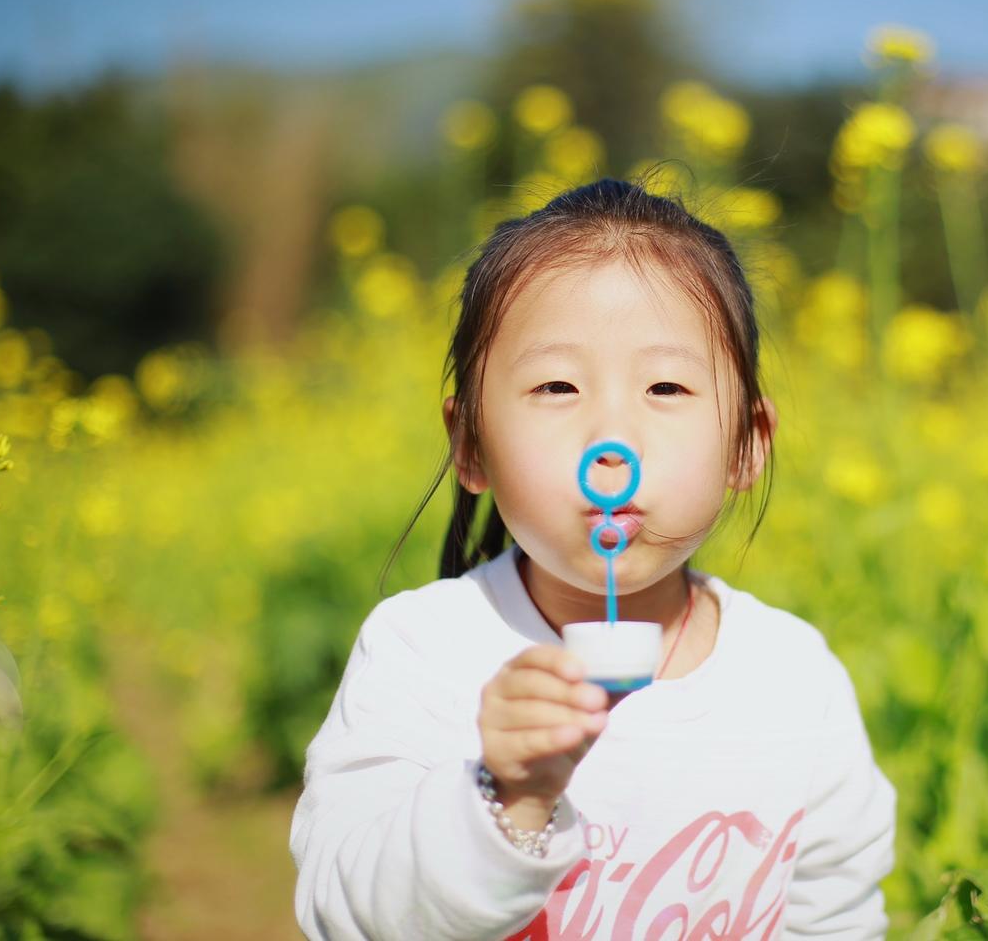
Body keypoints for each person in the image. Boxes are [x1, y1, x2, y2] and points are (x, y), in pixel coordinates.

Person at [290, 178, 896, 940]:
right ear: (469, 443)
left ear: (747, 443)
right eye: (556, 386)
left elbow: (835, 918)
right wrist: (503, 798)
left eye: (666, 386)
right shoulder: (421, 651)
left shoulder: (795, 679)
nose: (613, 441)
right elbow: (344, 912)